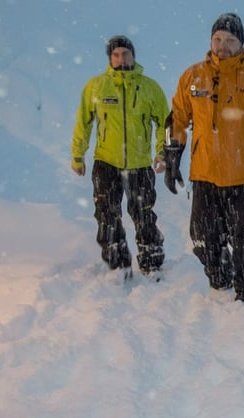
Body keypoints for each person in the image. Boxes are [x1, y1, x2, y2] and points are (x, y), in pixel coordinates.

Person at [163, 12, 244, 306]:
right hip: (205, 175)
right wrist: (172, 157)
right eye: (218, 39)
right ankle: (219, 277)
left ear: (241, 44)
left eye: (230, 40)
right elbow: (177, 121)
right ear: (210, 40)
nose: (223, 45)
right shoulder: (193, 77)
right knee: (200, 239)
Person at [71, 35, 169, 279]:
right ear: (110, 58)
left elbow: (166, 123)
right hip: (106, 163)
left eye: (125, 53)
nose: (121, 58)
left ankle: (151, 262)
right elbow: (83, 122)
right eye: (116, 55)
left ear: (133, 56)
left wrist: (162, 153)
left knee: (144, 213)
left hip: (139, 164)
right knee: (106, 214)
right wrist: (77, 155)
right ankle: (117, 263)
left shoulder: (149, 88)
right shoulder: (96, 86)